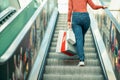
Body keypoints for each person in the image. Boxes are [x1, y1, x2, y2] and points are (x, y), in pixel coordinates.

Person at [67, 0, 107, 66]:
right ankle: (80, 53)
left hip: (76, 17)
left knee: (79, 38)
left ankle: (81, 59)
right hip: (85, 18)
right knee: (81, 37)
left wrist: (68, 20)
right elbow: (93, 6)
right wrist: (102, 6)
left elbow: (70, 9)